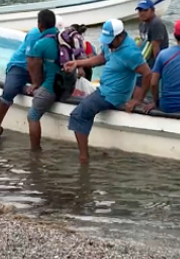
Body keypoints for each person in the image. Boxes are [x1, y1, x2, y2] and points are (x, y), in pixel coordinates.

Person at [64, 19, 152, 163]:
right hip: (104, 89)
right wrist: (77, 63)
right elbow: (101, 58)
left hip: (112, 95)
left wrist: (138, 99)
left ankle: (84, 158)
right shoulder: (110, 45)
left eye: (111, 41)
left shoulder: (130, 53)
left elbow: (147, 73)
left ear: (120, 37)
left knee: (78, 115)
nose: (108, 44)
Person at [0, 23, 43, 139]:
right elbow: (31, 61)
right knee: (9, 90)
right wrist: (35, 83)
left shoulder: (55, 36)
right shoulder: (34, 34)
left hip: (41, 67)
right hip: (21, 66)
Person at [25, 9, 68, 151]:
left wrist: (36, 85)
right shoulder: (63, 37)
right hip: (69, 85)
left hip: (53, 87)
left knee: (32, 115)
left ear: (40, 25)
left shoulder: (41, 44)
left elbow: (35, 68)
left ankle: (35, 150)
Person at [136, 0, 168, 68]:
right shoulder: (142, 23)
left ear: (152, 10)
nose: (142, 13)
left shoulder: (156, 24)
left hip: (154, 62)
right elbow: (142, 40)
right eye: (140, 10)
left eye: (145, 10)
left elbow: (156, 47)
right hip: (145, 60)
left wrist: (157, 68)